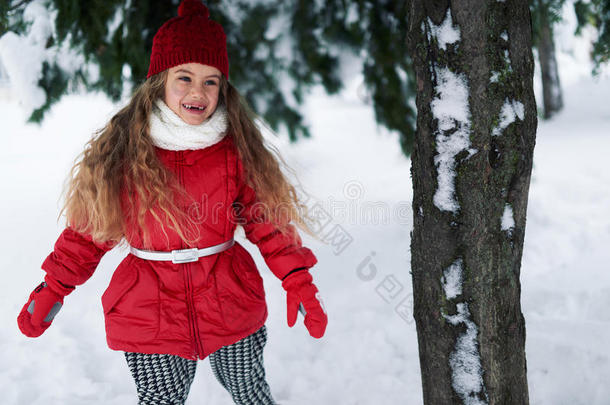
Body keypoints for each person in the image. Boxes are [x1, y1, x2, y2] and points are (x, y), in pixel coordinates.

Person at [16, 1, 328, 404]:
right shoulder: (124, 153)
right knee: (160, 399)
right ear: (159, 80)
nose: (198, 91)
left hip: (229, 302)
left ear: (223, 88)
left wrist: (297, 279)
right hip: (149, 309)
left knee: (250, 390)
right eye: (185, 77)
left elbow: (268, 223)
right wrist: (53, 287)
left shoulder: (234, 152)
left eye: (211, 81)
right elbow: (88, 232)